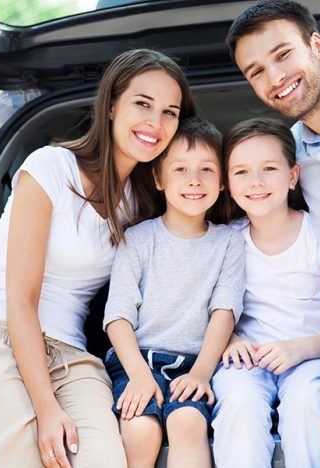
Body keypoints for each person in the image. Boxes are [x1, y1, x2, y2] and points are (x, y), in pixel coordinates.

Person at [0, 48, 196, 468]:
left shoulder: (140, 204)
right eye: (142, 104)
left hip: (72, 355)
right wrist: (46, 408)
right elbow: (20, 296)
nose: (156, 122)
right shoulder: (51, 167)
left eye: (170, 112)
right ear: (112, 105)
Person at [226, 1, 320, 466]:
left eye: (283, 54)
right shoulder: (291, 156)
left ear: (317, 45)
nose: (275, 77)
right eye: (256, 71)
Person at [102, 118, 246, 468]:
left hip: (194, 365)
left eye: (206, 170)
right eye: (180, 169)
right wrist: (138, 374)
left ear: (223, 182)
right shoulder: (137, 240)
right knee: (139, 428)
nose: (194, 180)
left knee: (188, 422)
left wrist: (200, 373)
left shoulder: (229, 242)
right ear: (158, 179)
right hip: (138, 361)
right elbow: (117, 316)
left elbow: (223, 312)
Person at [211, 117, 320, 468]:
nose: (256, 182)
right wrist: (231, 340)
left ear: (293, 176)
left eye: (269, 168)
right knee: (238, 404)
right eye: (241, 172)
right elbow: (210, 315)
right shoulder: (227, 241)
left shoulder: (319, 234)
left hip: (312, 355)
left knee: (306, 404)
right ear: (226, 184)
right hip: (248, 359)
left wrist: (298, 349)